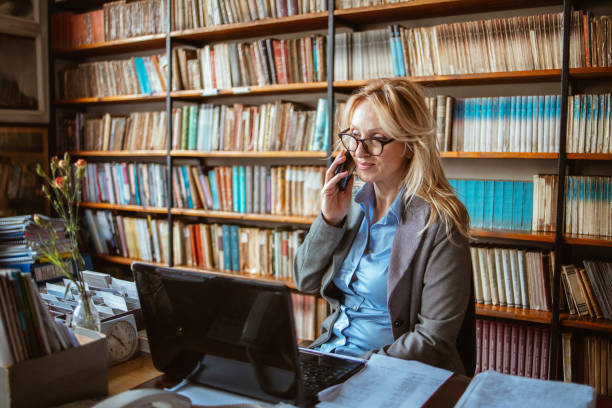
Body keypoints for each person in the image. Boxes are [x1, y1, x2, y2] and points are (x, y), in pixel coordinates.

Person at [293, 78, 475, 375]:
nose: (360, 151)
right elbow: (305, 280)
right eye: (353, 136)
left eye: (376, 139)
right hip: (329, 357)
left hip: (388, 371)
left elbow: (434, 338)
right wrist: (329, 220)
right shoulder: (348, 204)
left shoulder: (440, 221)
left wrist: (358, 366)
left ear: (409, 145)